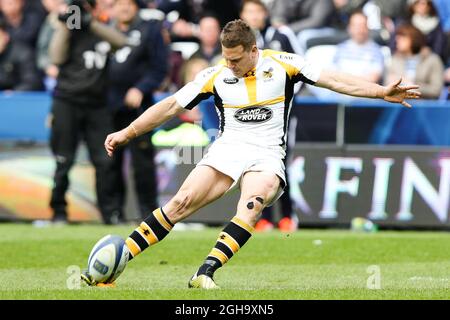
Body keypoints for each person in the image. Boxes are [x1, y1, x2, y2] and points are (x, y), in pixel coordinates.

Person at [82, 19, 421, 289]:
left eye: (235, 58)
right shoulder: (215, 75)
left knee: (254, 201)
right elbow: (171, 105)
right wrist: (128, 132)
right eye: (225, 58)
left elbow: (334, 80)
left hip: (268, 153)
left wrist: (380, 92)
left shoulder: (285, 64)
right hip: (229, 148)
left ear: (254, 50)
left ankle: (205, 273)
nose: (228, 65)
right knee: (180, 203)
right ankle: (119, 259)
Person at [48, 0, 130, 224]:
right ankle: (58, 212)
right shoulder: (66, 31)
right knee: (63, 160)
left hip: (97, 105)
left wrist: (89, 22)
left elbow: (121, 42)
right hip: (67, 101)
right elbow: (55, 57)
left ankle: (109, 213)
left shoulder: (100, 31)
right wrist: (66, 24)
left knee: (105, 161)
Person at [108, 0, 169, 222]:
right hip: (108, 107)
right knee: (109, 162)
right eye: (118, 3)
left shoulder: (150, 29)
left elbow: (160, 67)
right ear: (111, 8)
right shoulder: (103, 30)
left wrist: (141, 88)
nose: (123, 8)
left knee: (142, 163)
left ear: (136, 6)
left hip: (139, 108)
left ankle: (148, 213)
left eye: (128, 3)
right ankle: (112, 213)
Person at [385, 23, 443, 99]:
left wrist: (412, 86)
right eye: (397, 37)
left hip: (424, 106)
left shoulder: (432, 60)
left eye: (402, 37)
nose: (397, 40)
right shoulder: (395, 60)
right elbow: (386, 84)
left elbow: (436, 90)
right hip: (398, 106)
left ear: (413, 39)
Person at [0, 17, 42, 91]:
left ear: (6, 36)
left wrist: (14, 92)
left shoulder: (24, 54)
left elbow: (33, 82)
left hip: (20, 99)